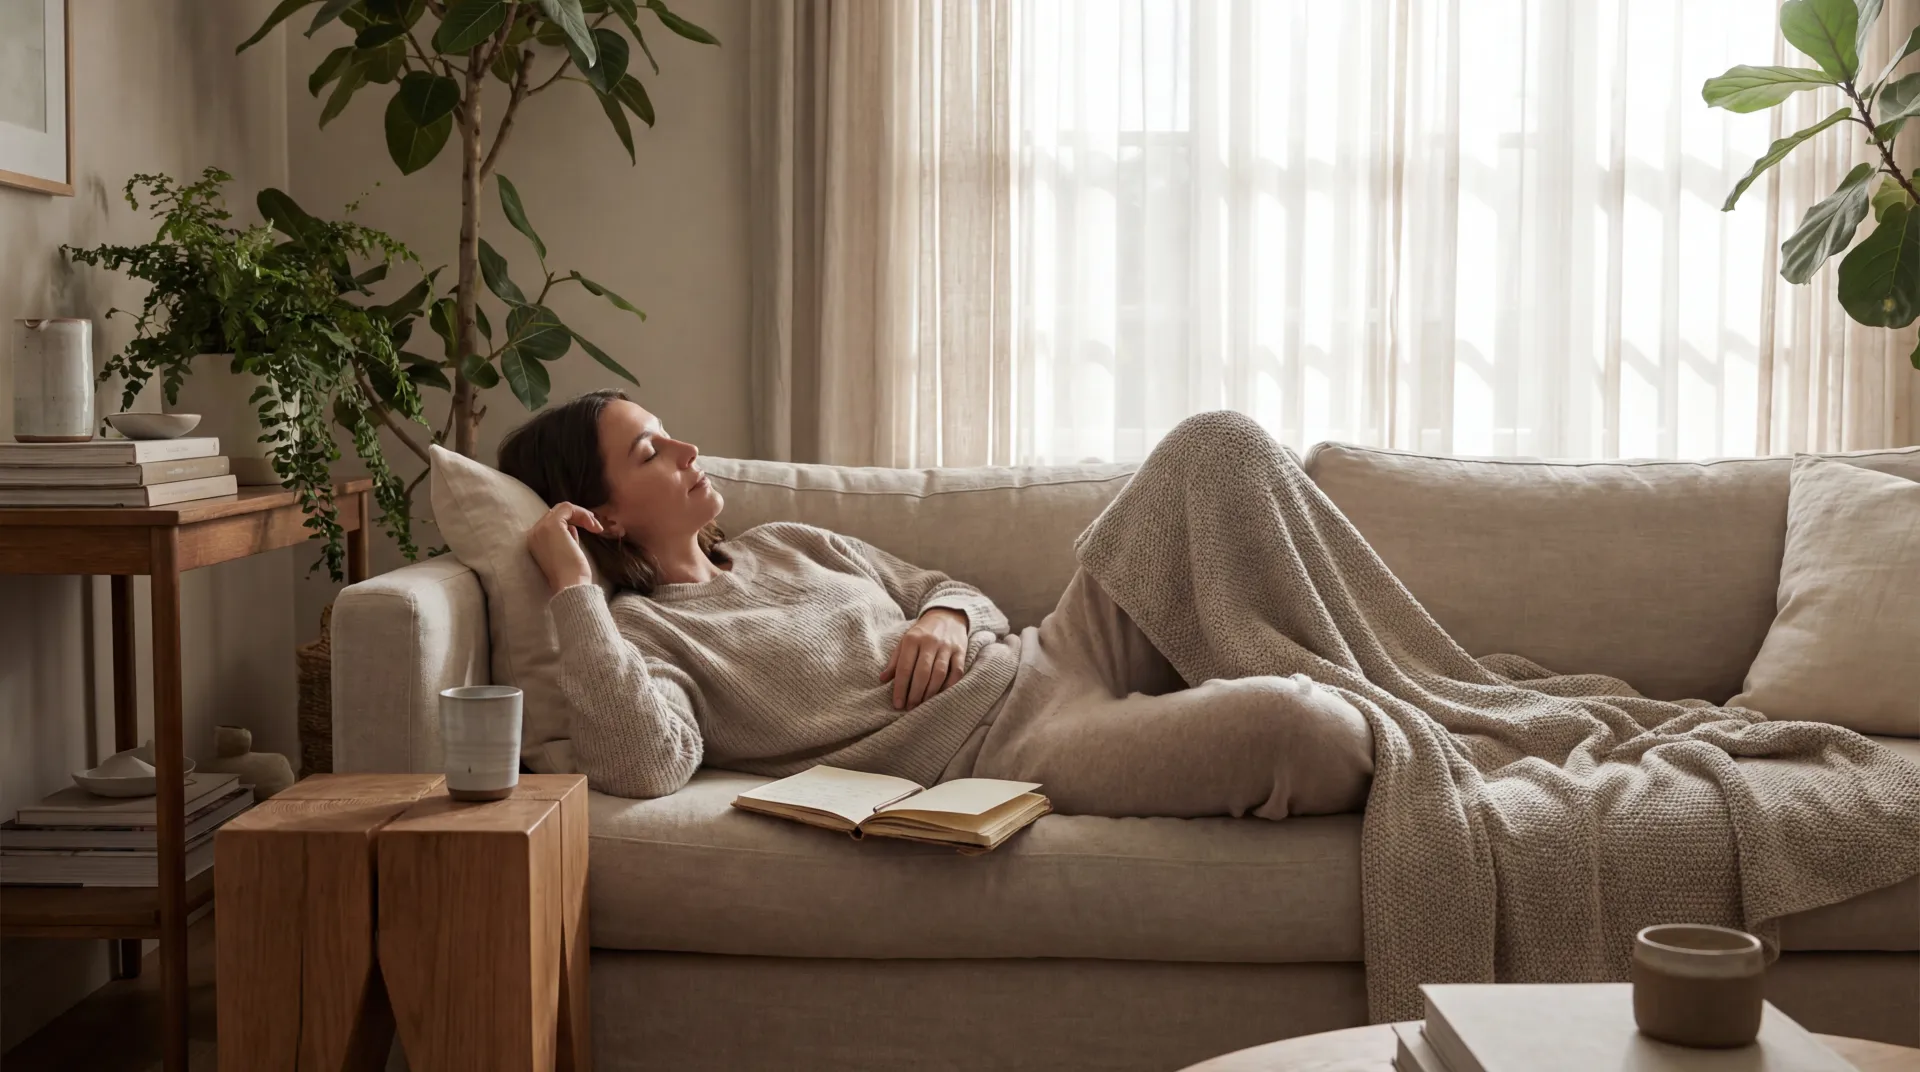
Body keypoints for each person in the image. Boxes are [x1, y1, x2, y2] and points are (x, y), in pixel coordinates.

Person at [498, 389, 1376, 819]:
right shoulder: (647, 636)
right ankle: (1360, 707)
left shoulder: (791, 542)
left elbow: (952, 590)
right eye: (653, 451)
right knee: (1314, 733)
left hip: (1055, 651)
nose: (689, 448)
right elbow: (645, 763)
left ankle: (1407, 676)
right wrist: (573, 586)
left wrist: (945, 616)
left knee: (1213, 443)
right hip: (1017, 747)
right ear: (602, 514)